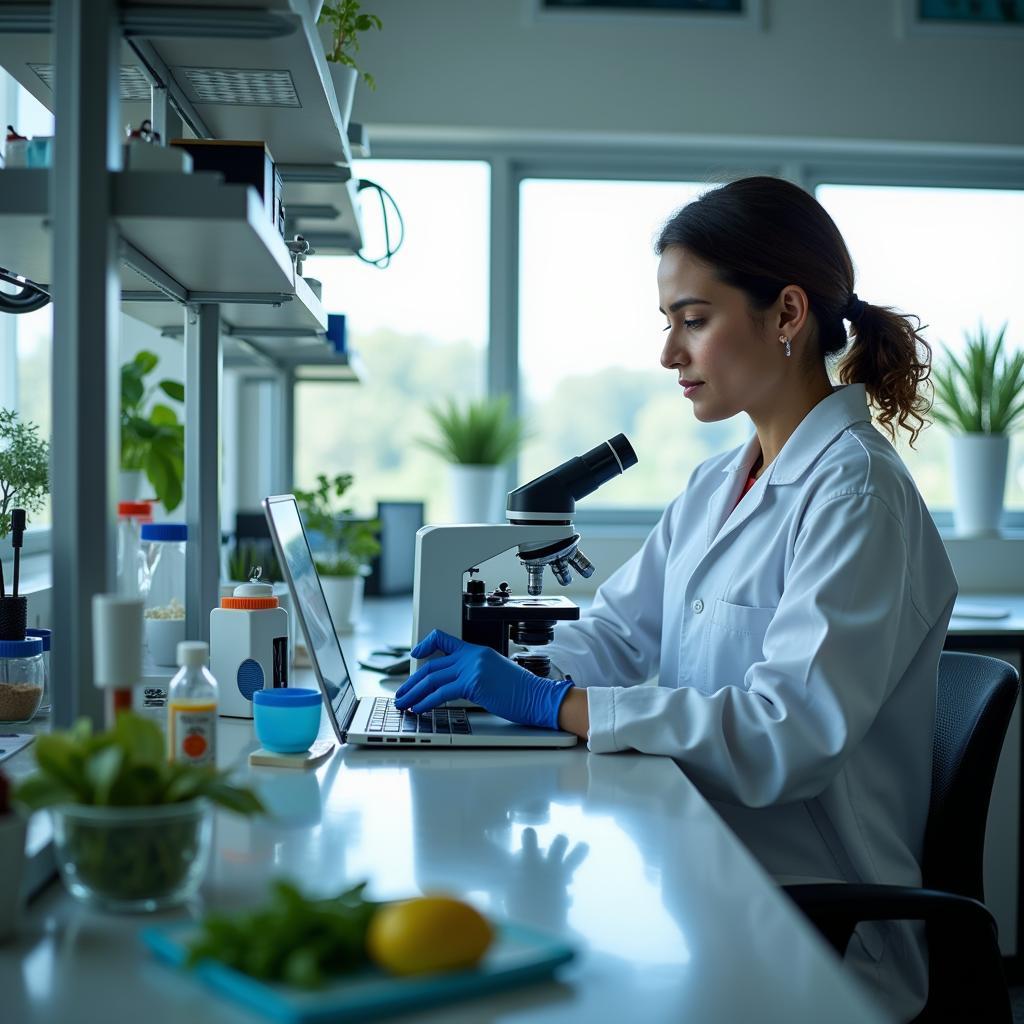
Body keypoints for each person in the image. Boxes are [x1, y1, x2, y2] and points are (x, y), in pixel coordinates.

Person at [396, 175, 957, 1021]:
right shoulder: (715, 484)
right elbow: (621, 637)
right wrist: (505, 671)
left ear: (787, 314)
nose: (669, 354)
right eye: (669, 324)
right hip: (702, 866)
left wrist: (556, 704)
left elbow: (786, 736)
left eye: (692, 320)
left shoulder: (856, 496)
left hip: (813, 923)